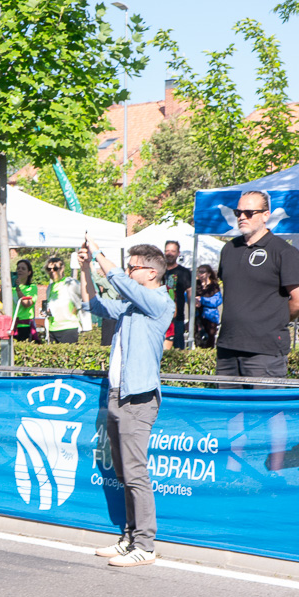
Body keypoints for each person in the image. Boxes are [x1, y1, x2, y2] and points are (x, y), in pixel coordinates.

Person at [81, 241, 175, 567]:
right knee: (124, 473)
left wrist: (98, 254)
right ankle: (129, 537)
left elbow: (118, 280)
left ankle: (145, 546)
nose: (129, 272)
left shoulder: (159, 302)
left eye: (134, 266)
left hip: (139, 398)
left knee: (136, 474)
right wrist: (84, 269)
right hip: (118, 395)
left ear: (152, 272)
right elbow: (94, 305)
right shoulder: (132, 307)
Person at [216, 192, 299, 377]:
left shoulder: (284, 252)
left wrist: (271, 322)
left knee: (263, 406)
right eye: (238, 212)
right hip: (228, 347)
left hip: (265, 351)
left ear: (266, 215)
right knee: (226, 406)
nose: (242, 217)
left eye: (249, 213)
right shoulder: (229, 249)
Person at [37, 254, 85, 344]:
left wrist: (72, 313)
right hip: (52, 329)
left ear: (62, 269)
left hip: (69, 328)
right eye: (49, 269)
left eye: (55, 269)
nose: (52, 271)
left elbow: (82, 301)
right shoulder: (50, 287)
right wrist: (46, 312)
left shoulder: (71, 283)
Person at [162, 241, 193, 350]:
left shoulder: (184, 272)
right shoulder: (158, 271)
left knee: (178, 351)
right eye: (167, 250)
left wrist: (191, 318)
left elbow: (190, 296)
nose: (169, 253)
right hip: (159, 317)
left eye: (173, 251)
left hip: (177, 319)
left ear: (178, 253)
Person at [194, 266, 221, 348]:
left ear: (208, 274)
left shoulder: (214, 286)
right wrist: (194, 301)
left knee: (209, 340)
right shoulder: (196, 284)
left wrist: (202, 300)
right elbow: (187, 295)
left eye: (203, 272)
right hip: (197, 317)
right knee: (198, 339)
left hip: (210, 317)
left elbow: (217, 301)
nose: (200, 274)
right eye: (199, 272)